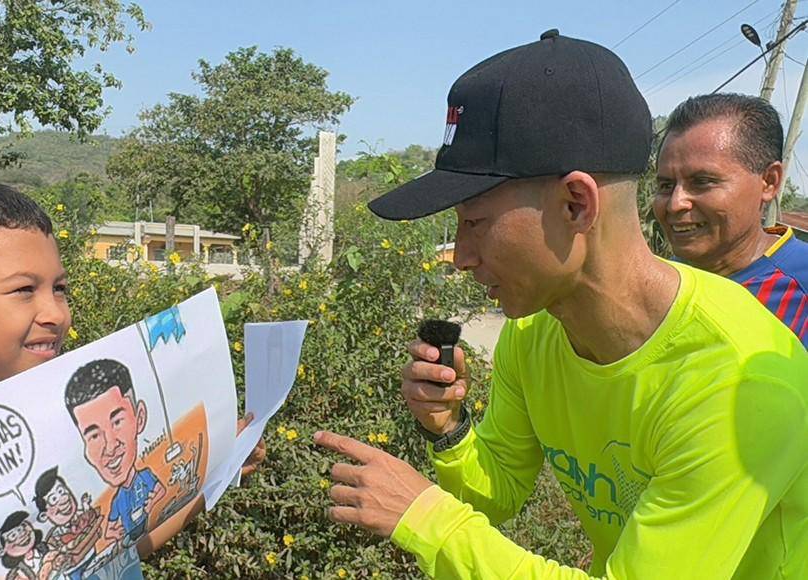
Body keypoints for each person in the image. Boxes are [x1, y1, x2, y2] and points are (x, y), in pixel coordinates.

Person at [313, 31, 808, 578]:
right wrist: (446, 429)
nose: (462, 257)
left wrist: (426, 518)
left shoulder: (739, 381)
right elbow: (498, 489)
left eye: (475, 222)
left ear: (577, 203)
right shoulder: (538, 330)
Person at [0, 173, 266, 579]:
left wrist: (216, 470)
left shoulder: (79, 427)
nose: (56, 314)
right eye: (24, 290)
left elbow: (112, 555)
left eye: (59, 289)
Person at [654, 93, 808, 347]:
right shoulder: (658, 284)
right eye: (665, 185)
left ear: (769, 182)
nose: (675, 203)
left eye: (702, 182)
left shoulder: (799, 282)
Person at [64, 359, 167, 546]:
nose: (110, 446)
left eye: (117, 422)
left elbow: (163, 493)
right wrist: (114, 533)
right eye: (94, 435)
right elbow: (109, 530)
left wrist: (155, 503)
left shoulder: (145, 477)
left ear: (140, 417)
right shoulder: (117, 500)